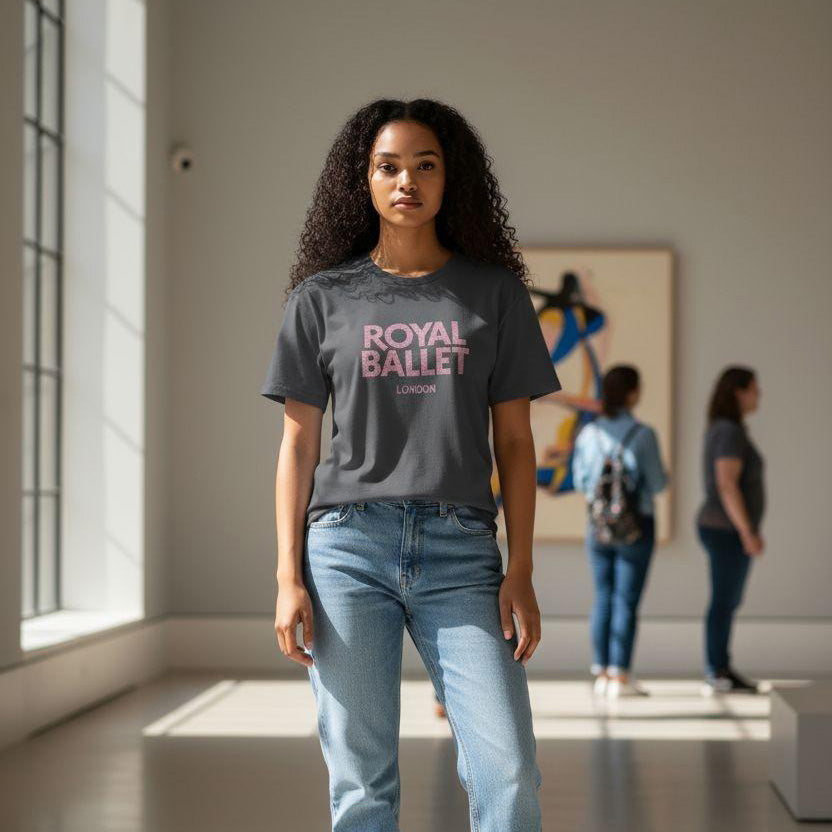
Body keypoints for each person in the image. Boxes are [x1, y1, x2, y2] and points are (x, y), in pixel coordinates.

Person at [260, 98, 561, 832]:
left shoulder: (495, 294)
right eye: (388, 166)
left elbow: (516, 445)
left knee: (508, 769)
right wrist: (288, 576)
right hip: (345, 550)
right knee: (361, 785)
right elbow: (299, 445)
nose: (406, 181)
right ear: (361, 180)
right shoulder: (320, 299)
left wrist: (521, 568)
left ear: (450, 179)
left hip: (461, 551)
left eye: (425, 165)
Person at [571, 365, 669, 699]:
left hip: (597, 524)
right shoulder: (643, 434)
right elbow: (658, 483)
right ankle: (620, 674)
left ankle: (601, 671)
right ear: (632, 393)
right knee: (626, 599)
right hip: (636, 524)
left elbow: (581, 482)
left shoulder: (588, 433)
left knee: (603, 595)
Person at [695, 366, 765, 694]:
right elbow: (727, 484)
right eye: (754, 388)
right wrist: (747, 530)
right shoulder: (729, 432)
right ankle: (718, 670)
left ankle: (720, 667)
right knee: (724, 601)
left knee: (726, 600)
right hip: (725, 530)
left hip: (725, 529)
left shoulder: (727, 430)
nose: (759, 395)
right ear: (739, 392)